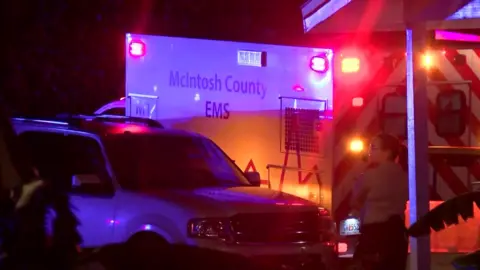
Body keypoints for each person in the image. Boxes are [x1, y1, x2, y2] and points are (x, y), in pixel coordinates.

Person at [350, 133, 409, 270]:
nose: (369, 151)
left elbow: (355, 202)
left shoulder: (369, 176)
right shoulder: (405, 177)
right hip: (398, 237)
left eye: (373, 148)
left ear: (387, 152)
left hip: (374, 236)